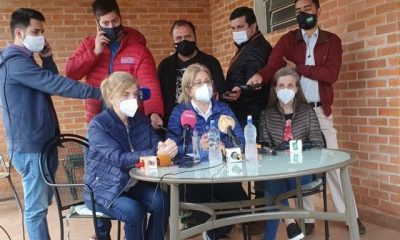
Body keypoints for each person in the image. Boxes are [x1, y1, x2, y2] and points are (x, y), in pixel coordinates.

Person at [247, 0, 366, 235]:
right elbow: (273, 66)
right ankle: (307, 218)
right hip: (295, 111)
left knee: (333, 164)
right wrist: (260, 76)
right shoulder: (288, 40)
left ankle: (350, 214)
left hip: (320, 111)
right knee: (298, 164)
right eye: (298, 11)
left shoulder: (332, 41)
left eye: (308, 9)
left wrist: (298, 67)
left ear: (318, 11)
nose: (303, 14)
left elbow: (330, 74)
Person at [0, 8, 102, 240]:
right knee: (36, 210)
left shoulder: (26, 60)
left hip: (40, 143)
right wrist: (100, 92)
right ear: (19, 32)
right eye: (36, 31)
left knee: (42, 203)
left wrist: (47, 59)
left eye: (42, 31)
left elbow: (47, 82)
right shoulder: (15, 62)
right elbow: (55, 84)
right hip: (30, 147)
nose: (41, 36)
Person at [85, 71, 177, 240]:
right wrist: (156, 153)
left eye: (135, 94)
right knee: (135, 212)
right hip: (105, 188)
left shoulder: (139, 120)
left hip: (132, 184)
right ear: (111, 98)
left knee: (162, 201)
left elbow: (155, 142)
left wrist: (166, 147)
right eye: (125, 94)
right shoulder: (98, 125)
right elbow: (119, 158)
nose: (132, 99)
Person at [167, 63, 248, 240]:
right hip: (195, 177)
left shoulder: (223, 109)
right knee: (206, 212)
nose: (204, 86)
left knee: (242, 205)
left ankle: (217, 230)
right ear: (188, 89)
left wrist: (223, 143)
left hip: (224, 172)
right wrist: (197, 148)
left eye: (207, 81)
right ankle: (212, 230)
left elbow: (240, 141)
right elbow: (171, 148)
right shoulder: (180, 113)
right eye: (198, 83)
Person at [65, 0, 164, 128]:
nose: (111, 26)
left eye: (115, 21)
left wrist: (154, 111)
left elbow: (149, 82)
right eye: (105, 23)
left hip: (130, 117)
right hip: (98, 116)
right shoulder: (89, 44)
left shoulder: (139, 49)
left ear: (120, 19)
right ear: (97, 24)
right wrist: (95, 53)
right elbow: (71, 72)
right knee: (94, 148)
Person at [259, 67, 324, 240]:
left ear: (296, 88)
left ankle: (286, 224)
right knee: (273, 181)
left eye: (290, 85)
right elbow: (264, 149)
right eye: (281, 85)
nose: (285, 89)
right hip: (277, 171)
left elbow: (318, 145)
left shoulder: (307, 112)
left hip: (303, 171)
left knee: (271, 189)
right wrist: (278, 153)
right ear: (275, 89)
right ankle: (290, 223)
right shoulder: (266, 115)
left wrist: (299, 149)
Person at [158, 19, 225, 127]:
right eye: (178, 38)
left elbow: (220, 90)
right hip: (173, 122)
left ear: (195, 37)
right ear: (173, 41)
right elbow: (159, 94)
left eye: (188, 37)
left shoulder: (211, 62)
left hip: (205, 121)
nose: (183, 41)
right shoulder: (165, 66)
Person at [222, 6, 272, 129]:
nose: (236, 32)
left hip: (251, 116)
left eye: (240, 27)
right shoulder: (247, 46)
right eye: (233, 28)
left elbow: (254, 83)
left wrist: (240, 91)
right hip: (244, 112)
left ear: (253, 26)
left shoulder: (258, 48)